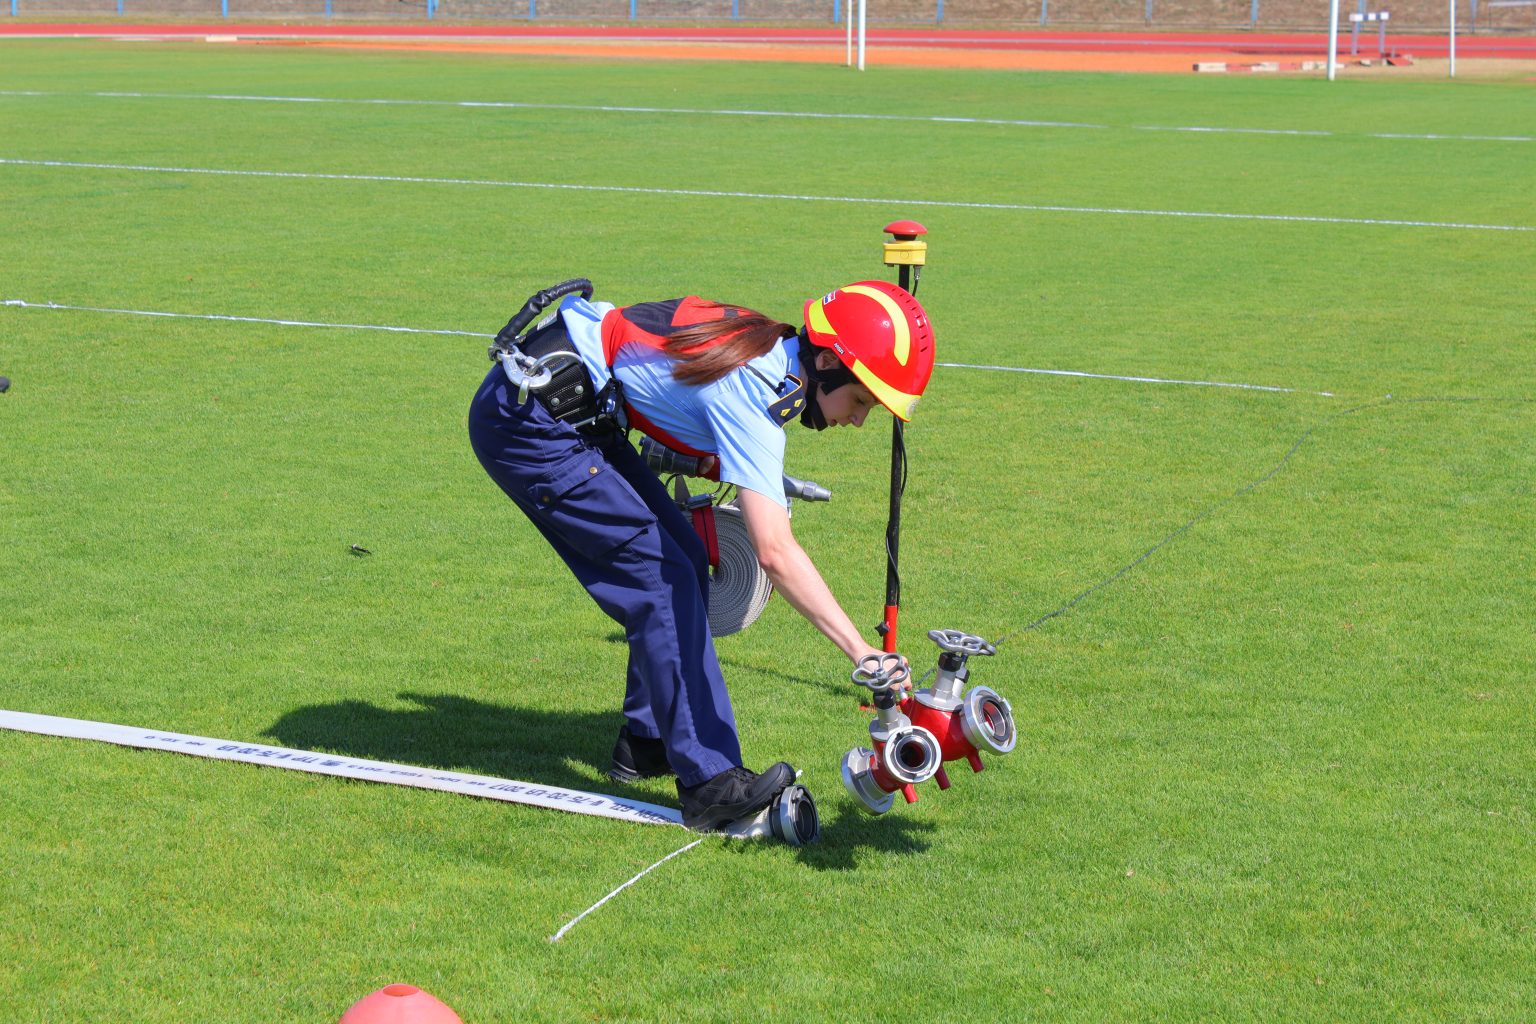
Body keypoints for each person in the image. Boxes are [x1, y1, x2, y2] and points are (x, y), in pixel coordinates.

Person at [467, 281, 935, 833]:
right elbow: (775, 552)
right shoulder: (755, 390)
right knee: (660, 579)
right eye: (861, 401)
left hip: (573, 409)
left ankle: (647, 742)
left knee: (684, 558)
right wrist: (862, 651)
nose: (857, 421)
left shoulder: (765, 345)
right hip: (530, 424)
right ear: (829, 362)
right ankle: (711, 782)